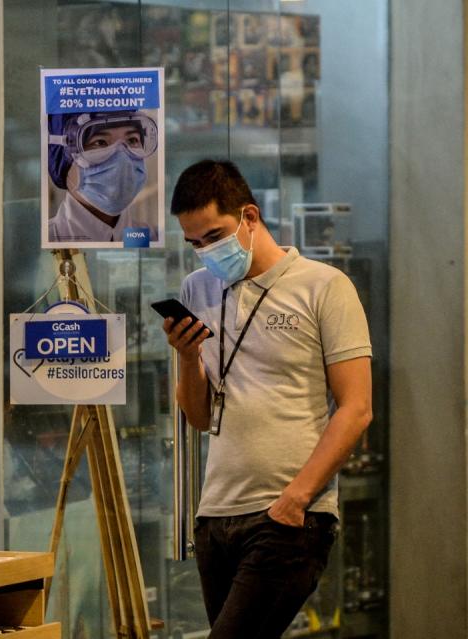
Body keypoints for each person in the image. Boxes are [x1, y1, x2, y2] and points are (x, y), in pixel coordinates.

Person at [162, 160, 372, 638]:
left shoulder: (324, 286)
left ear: (250, 217)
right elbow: (198, 416)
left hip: (286, 516)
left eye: (214, 235)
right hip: (216, 515)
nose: (205, 251)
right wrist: (186, 356)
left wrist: (297, 499)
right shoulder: (198, 289)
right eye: (194, 243)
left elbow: (357, 407)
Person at [47, 110, 158, 243]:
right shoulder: (47, 239)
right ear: (61, 159)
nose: (122, 158)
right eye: (100, 142)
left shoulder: (153, 238)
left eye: (132, 140)